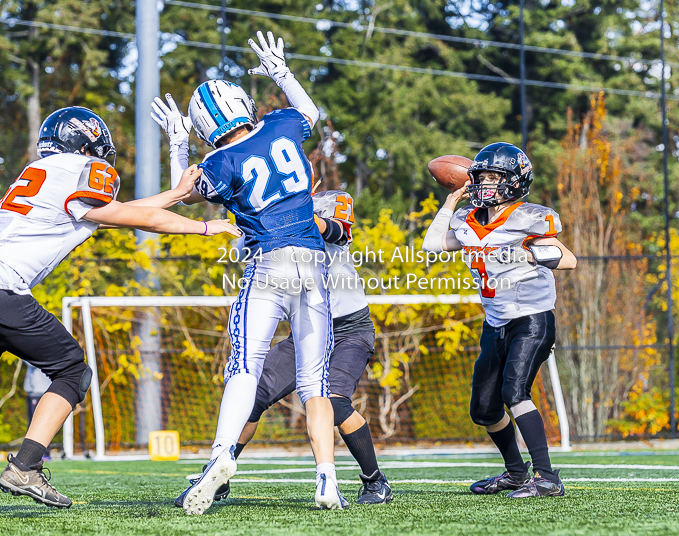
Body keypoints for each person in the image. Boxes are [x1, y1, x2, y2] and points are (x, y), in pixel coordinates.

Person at [0, 106, 241, 509]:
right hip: (5, 288)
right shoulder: (83, 170)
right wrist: (204, 226)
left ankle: (26, 466)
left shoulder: (42, 174)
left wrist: (178, 195)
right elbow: (138, 219)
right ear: (86, 142)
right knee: (71, 369)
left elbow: (113, 215)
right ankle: (26, 467)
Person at [151, 31, 346, 513]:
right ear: (242, 104)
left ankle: (220, 457)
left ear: (202, 127)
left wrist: (177, 145)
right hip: (314, 265)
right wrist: (282, 72)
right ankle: (327, 481)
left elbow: (182, 191)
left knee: (244, 365)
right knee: (315, 383)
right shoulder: (281, 125)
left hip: (268, 265)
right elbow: (312, 114)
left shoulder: (219, 161)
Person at [172, 190, 392, 509]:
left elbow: (334, 230)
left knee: (335, 401)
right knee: (253, 395)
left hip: (349, 331)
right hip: (305, 333)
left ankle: (375, 481)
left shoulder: (324, 222)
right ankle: (216, 477)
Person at [422, 143, 576, 498]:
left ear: (515, 181)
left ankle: (548, 478)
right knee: (484, 409)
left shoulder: (529, 217)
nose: (485, 184)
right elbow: (432, 244)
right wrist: (450, 203)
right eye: (481, 177)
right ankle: (516, 474)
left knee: (514, 391)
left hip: (532, 319)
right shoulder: (467, 220)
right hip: (496, 323)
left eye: (494, 177)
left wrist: (529, 252)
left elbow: (568, 260)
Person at [23, 365, 52, 461]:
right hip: (33, 391)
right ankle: (34, 453)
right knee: (32, 423)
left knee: (39, 423)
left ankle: (43, 453)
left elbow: (30, 360)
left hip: (39, 390)